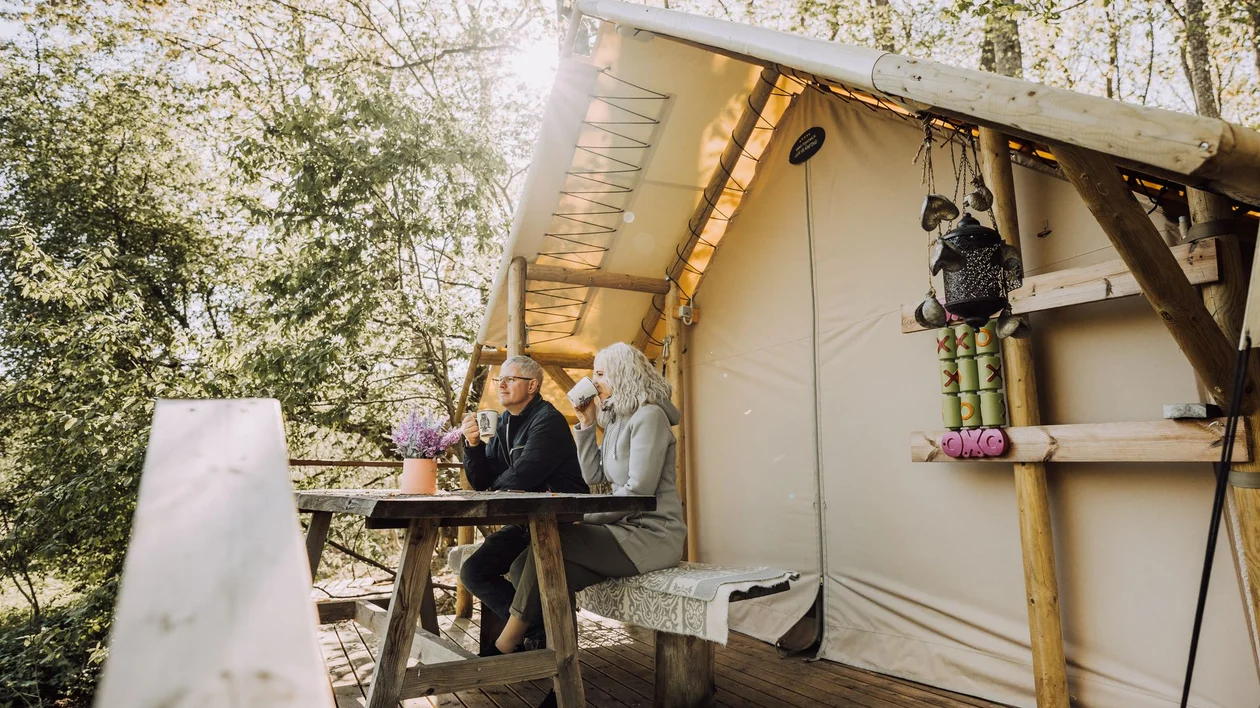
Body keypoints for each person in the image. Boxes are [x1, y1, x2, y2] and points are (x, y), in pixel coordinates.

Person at [492, 342, 686, 665]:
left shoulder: (650, 417)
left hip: (651, 535)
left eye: (599, 373)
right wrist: (585, 424)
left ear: (622, 373)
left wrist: (588, 519)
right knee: (526, 566)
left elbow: (639, 492)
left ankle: (503, 647)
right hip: (620, 530)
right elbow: (594, 474)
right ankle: (561, 673)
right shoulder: (616, 419)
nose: (593, 381)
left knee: (555, 542)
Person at [459, 355, 588, 651]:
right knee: (473, 571)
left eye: (510, 379)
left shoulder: (548, 421)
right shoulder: (502, 423)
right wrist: (474, 445)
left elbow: (523, 475)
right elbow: (482, 480)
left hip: (558, 521)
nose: (501, 384)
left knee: (518, 569)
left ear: (532, 386)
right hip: (525, 522)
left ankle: (531, 637)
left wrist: (495, 486)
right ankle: (538, 628)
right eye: (499, 379)